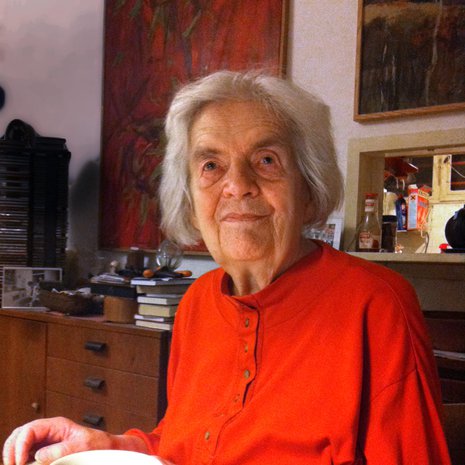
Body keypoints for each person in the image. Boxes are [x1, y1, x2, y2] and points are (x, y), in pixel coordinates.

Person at [3, 70, 451, 465]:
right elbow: (184, 443)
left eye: (266, 160)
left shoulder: (376, 306)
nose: (237, 185)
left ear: (309, 189)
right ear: (191, 200)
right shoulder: (197, 302)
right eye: (211, 165)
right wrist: (111, 445)